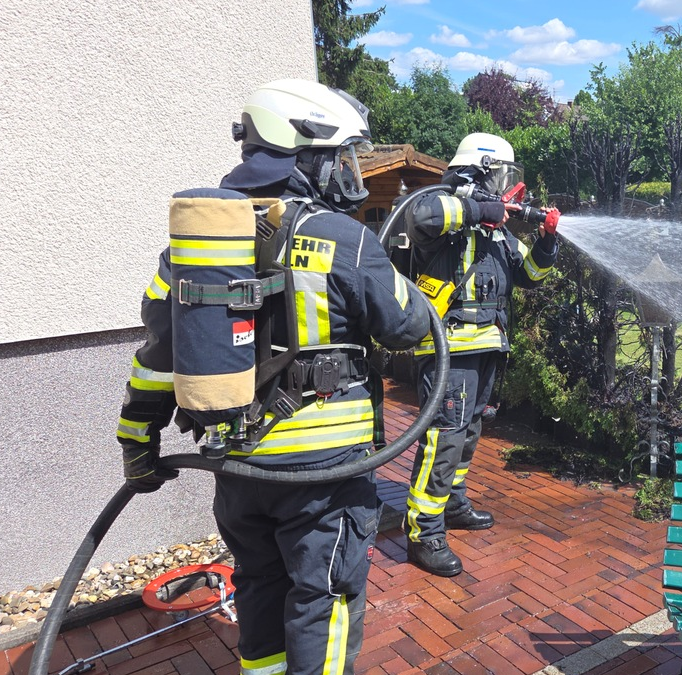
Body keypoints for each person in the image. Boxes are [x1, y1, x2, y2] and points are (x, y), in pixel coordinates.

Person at [115, 79, 430, 675]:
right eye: (342, 156)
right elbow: (408, 327)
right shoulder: (342, 236)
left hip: (239, 467)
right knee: (324, 599)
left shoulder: (197, 245)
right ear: (306, 155)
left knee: (259, 585)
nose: (350, 170)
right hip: (323, 474)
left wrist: (137, 437)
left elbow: (158, 351)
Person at [401, 132, 559, 576]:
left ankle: (452, 504)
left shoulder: (499, 235)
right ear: (479, 173)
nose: (508, 188)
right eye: (502, 177)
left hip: (487, 346)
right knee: (445, 437)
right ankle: (423, 531)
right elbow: (420, 216)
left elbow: (530, 275)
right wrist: (477, 208)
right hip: (449, 349)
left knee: (468, 431)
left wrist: (547, 242)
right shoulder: (443, 210)